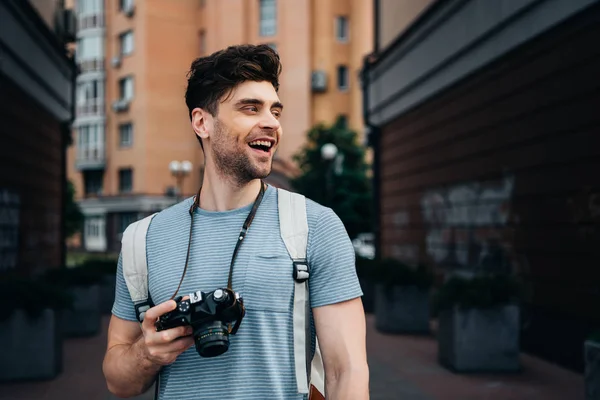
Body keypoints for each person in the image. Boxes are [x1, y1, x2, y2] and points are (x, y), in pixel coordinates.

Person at [102, 44, 369, 400]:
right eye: (250, 108)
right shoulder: (142, 239)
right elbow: (118, 382)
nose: (272, 123)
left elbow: (346, 372)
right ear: (202, 122)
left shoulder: (314, 226)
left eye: (275, 111)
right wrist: (145, 354)